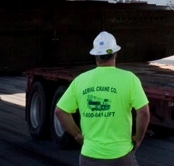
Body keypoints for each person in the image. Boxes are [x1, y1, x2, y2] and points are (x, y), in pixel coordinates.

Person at [54, 32, 150, 165]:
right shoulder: (130, 79)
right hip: (120, 156)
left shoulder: (80, 80)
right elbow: (143, 112)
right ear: (115, 53)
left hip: (89, 155)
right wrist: (138, 138)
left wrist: (77, 135)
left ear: (95, 56)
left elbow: (60, 111)